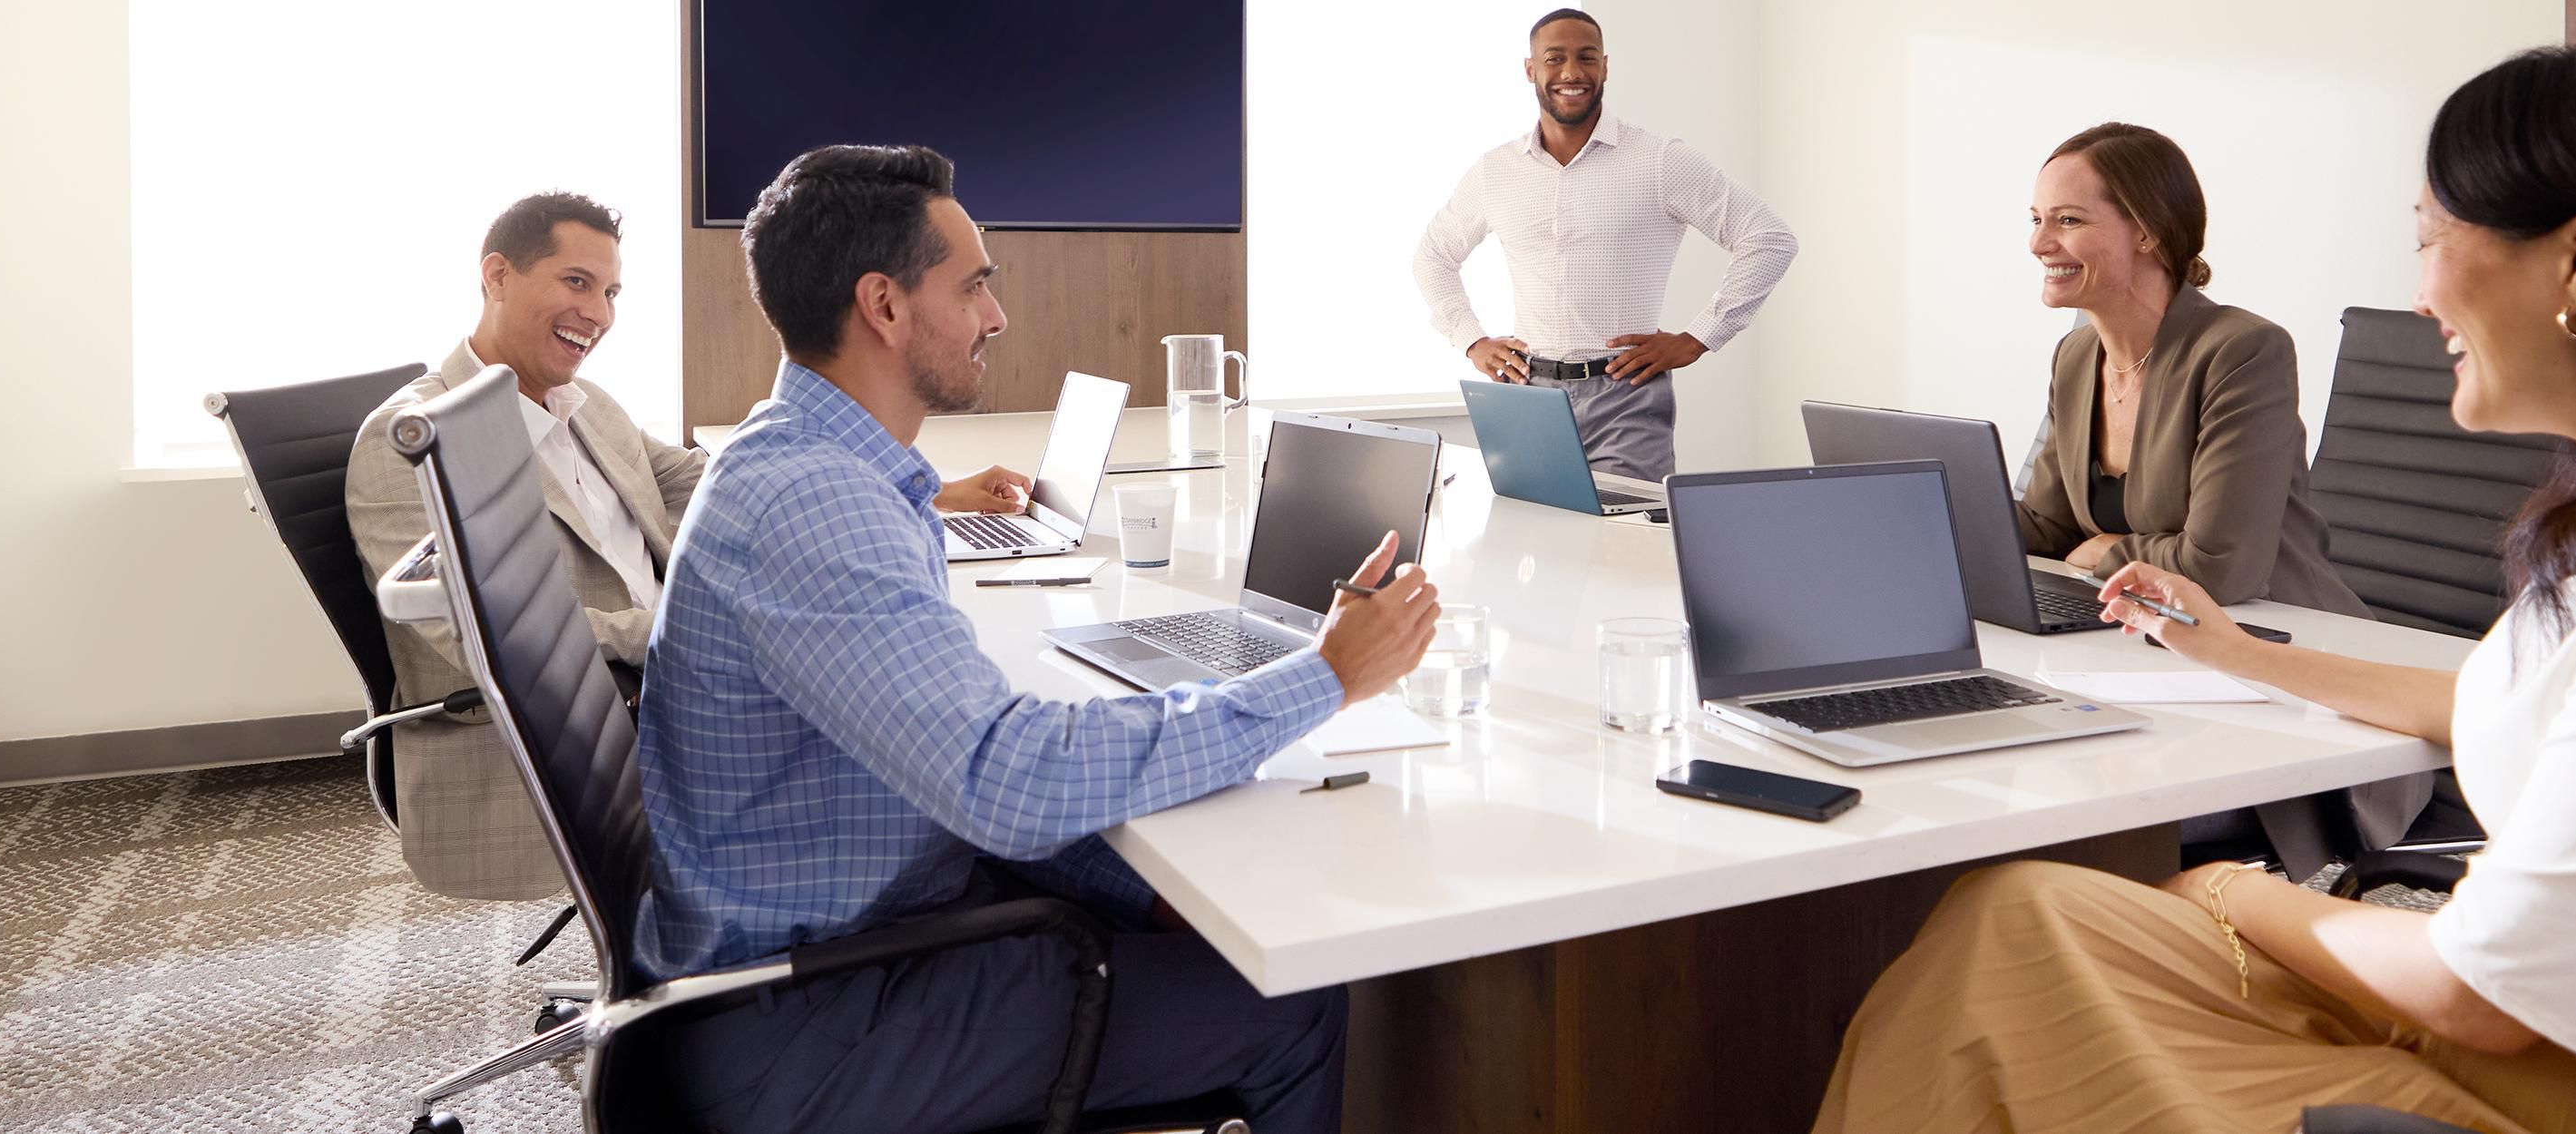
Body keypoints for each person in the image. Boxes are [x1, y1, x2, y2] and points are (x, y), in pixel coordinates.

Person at [1817, 34, 2576, 1134]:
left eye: (2430, 237)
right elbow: (2489, 702)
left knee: (2027, 958)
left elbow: (2481, 989)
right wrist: (2243, 654)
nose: (2417, 293)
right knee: (2024, 913)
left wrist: (2234, 892)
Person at [631, 145, 1441, 1134]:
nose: (996, 316)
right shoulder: (813, 506)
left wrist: (1139, 894)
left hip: (842, 944)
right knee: (1294, 1003)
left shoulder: (819, 465)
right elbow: (1005, 783)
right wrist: (1323, 677)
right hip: (802, 1028)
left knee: (1179, 908)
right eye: (973, 285)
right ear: (883, 306)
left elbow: (964, 783)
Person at [345, 191, 1028, 901]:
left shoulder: (583, 404)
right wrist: (688, 633)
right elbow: (477, 632)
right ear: (497, 276)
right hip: (586, 734)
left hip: (669, 690)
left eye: (610, 292)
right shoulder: (419, 441)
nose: (600, 314)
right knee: (906, 732)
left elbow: (703, 477)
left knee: (910, 692)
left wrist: (931, 488)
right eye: (576, 283)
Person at [1413, 6, 1797, 481]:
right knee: (1535, 545)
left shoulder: (1658, 161)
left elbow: (1770, 238)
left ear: (1605, 67)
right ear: (1531, 69)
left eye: (1586, 58)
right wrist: (1471, 339)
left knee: (1626, 547)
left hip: (1627, 399)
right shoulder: (1497, 172)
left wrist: (1700, 337)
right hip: (1530, 401)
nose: (1572, 72)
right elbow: (1433, 256)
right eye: (1554, 59)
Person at [2013, 123, 2364, 615]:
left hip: (2283, 637)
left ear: (2146, 230)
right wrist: (1929, 511)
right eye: (2036, 220)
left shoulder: (2242, 352)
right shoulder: (2075, 356)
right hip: (2152, 627)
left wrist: (2109, 550)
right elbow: (2051, 529)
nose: (2039, 244)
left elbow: (2221, 567)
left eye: (2068, 220)